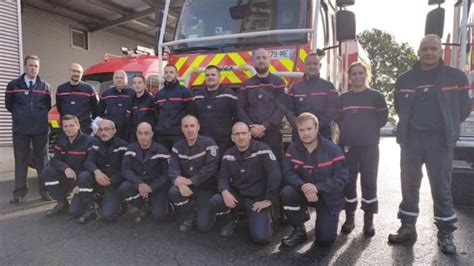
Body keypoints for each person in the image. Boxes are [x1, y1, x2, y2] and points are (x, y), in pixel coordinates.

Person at [388, 34, 471, 255]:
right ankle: (407, 227)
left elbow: (464, 108)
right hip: (411, 141)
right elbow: (398, 106)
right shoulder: (405, 79)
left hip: (440, 141)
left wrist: (449, 126)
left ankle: (445, 233)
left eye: (433, 49)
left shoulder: (456, 77)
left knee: (441, 188)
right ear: (418, 51)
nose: (429, 53)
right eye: (425, 49)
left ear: (440, 51)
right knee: (409, 185)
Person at [280, 112, 349, 247]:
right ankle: (299, 230)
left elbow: (342, 178)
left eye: (309, 129)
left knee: (324, 240)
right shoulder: (293, 148)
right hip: (303, 192)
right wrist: (303, 186)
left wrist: (317, 187)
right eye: (301, 130)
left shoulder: (333, 149)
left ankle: (330, 218)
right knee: (287, 192)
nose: (305, 133)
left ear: (317, 128)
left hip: (327, 197)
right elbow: (288, 173)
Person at [337, 62, 388, 236]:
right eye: (354, 74)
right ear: (349, 77)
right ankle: (350, 218)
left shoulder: (376, 96)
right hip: (348, 146)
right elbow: (339, 119)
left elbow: (382, 119)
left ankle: (368, 221)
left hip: (369, 147)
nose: (357, 77)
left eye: (361, 73)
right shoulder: (343, 98)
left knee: (369, 182)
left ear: (366, 75)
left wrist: (367, 132)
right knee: (348, 182)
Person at [209, 122, 281, 245]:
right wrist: (225, 191)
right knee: (216, 200)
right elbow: (223, 177)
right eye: (237, 134)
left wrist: (269, 199)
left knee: (261, 239)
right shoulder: (228, 154)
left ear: (249, 135)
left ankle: (266, 218)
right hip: (238, 196)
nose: (240, 137)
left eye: (243, 133)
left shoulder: (263, 149)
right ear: (232, 137)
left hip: (256, 200)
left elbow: (275, 174)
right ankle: (231, 218)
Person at [5, 55, 52, 203]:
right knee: (21, 160)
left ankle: (45, 191)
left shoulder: (45, 86)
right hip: (21, 129)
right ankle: (19, 193)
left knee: (43, 161)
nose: (33, 69)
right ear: (25, 66)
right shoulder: (13, 85)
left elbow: (47, 106)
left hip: (40, 129)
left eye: (36, 66)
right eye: (31, 65)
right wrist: (22, 116)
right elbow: (9, 105)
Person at [168, 115, 219, 232]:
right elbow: (173, 169)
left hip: (206, 188)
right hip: (187, 187)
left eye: (192, 126)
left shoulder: (209, 143)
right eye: (186, 126)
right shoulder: (177, 146)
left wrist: (191, 181)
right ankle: (190, 214)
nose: (189, 129)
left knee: (203, 227)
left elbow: (210, 168)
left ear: (198, 127)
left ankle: (207, 212)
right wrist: (179, 183)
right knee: (174, 191)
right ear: (182, 129)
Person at [42, 115, 96, 224]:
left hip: (84, 179)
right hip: (69, 176)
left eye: (71, 125)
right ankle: (62, 204)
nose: (68, 129)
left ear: (78, 126)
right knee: (47, 171)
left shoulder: (89, 141)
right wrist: (65, 168)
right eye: (65, 126)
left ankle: (90, 209)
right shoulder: (62, 141)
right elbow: (54, 161)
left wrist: (79, 185)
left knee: (75, 212)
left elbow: (90, 164)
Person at [237, 48, 287, 164]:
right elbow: (240, 108)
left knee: (275, 166)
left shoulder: (278, 82)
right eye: (258, 58)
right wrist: (251, 127)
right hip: (253, 134)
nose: (261, 61)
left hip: (272, 133)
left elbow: (282, 108)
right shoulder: (246, 85)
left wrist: (264, 127)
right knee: (254, 167)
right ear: (253, 61)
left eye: (264, 58)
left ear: (269, 61)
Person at [119, 122, 171, 223]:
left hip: (157, 186)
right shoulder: (131, 149)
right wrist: (139, 183)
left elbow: (167, 174)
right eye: (140, 133)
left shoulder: (161, 150)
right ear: (136, 134)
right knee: (124, 187)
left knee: (159, 217)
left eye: (146, 133)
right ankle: (143, 207)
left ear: (152, 134)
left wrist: (152, 187)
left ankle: (160, 204)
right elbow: (126, 169)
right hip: (139, 183)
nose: (143, 137)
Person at [287, 53, 339, 140]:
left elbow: (332, 110)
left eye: (315, 64)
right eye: (309, 64)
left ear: (320, 66)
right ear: (304, 66)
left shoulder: (329, 87)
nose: (312, 66)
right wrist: (300, 126)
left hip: (322, 135)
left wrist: (315, 127)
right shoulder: (295, 88)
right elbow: (289, 111)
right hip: (300, 135)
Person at [85, 119, 128, 222]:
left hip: (114, 182)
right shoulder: (94, 144)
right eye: (101, 130)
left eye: (107, 129)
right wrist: (96, 172)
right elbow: (89, 162)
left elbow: (126, 169)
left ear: (114, 130)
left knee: (107, 216)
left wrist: (111, 180)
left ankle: (122, 203)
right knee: (75, 211)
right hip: (99, 179)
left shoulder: (123, 146)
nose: (103, 132)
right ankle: (95, 202)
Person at [192, 65, 238, 153]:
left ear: (219, 77)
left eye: (213, 75)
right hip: (202, 143)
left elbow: (237, 117)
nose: (210, 77)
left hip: (224, 143)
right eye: (207, 75)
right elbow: (193, 118)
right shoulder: (197, 96)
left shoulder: (229, 95)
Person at [154, 65, 194, 151]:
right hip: (162, 136)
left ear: (177, 74)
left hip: (178, 136)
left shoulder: (184, 92)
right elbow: (156, 115)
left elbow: (190, 113)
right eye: (166, 72)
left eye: (171, 72)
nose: (168, 74)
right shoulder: (159, 94)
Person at [56, 63, 98, 134]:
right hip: (67, 128)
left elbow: (96, 107)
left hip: (84, 128)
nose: (76, 73)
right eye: (74, 71)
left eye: (78, 72)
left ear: (82, 74)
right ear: (69, 72)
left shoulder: (89, 89)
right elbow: (59, 108)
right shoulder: (61, 89)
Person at [97, 69, 134, 141]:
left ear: (126, 80)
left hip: (128, 133)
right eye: (117, 78)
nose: (119, 80)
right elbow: (99, 112)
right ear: (113, 80)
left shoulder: (133, 94)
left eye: (122, 78)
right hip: (110, 133)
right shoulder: (106, 94)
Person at [129, 75, 156, 142]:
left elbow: (156, 117)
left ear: (144, 84)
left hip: (148, 136)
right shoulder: (131, 100)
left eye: (139, 83)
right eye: (134, 83)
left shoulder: (151, 100)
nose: (137, 85)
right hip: (135, 136)